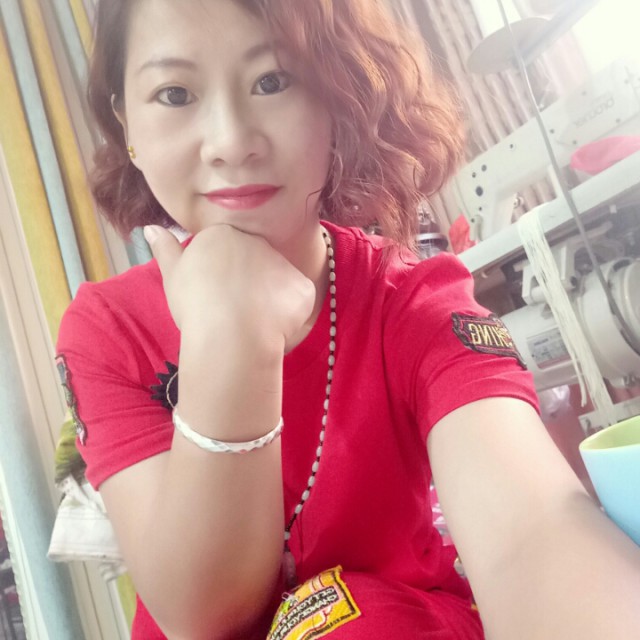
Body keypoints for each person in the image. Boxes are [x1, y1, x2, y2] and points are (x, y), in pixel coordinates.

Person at [55, 0, 640, 638]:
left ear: (338, 96)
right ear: (127, 122)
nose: (230, 142)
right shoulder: (109, 330)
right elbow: (202, 616)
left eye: (272, 81)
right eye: (175, 93)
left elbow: (534, 533)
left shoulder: (412, 302)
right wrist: (233, 340)